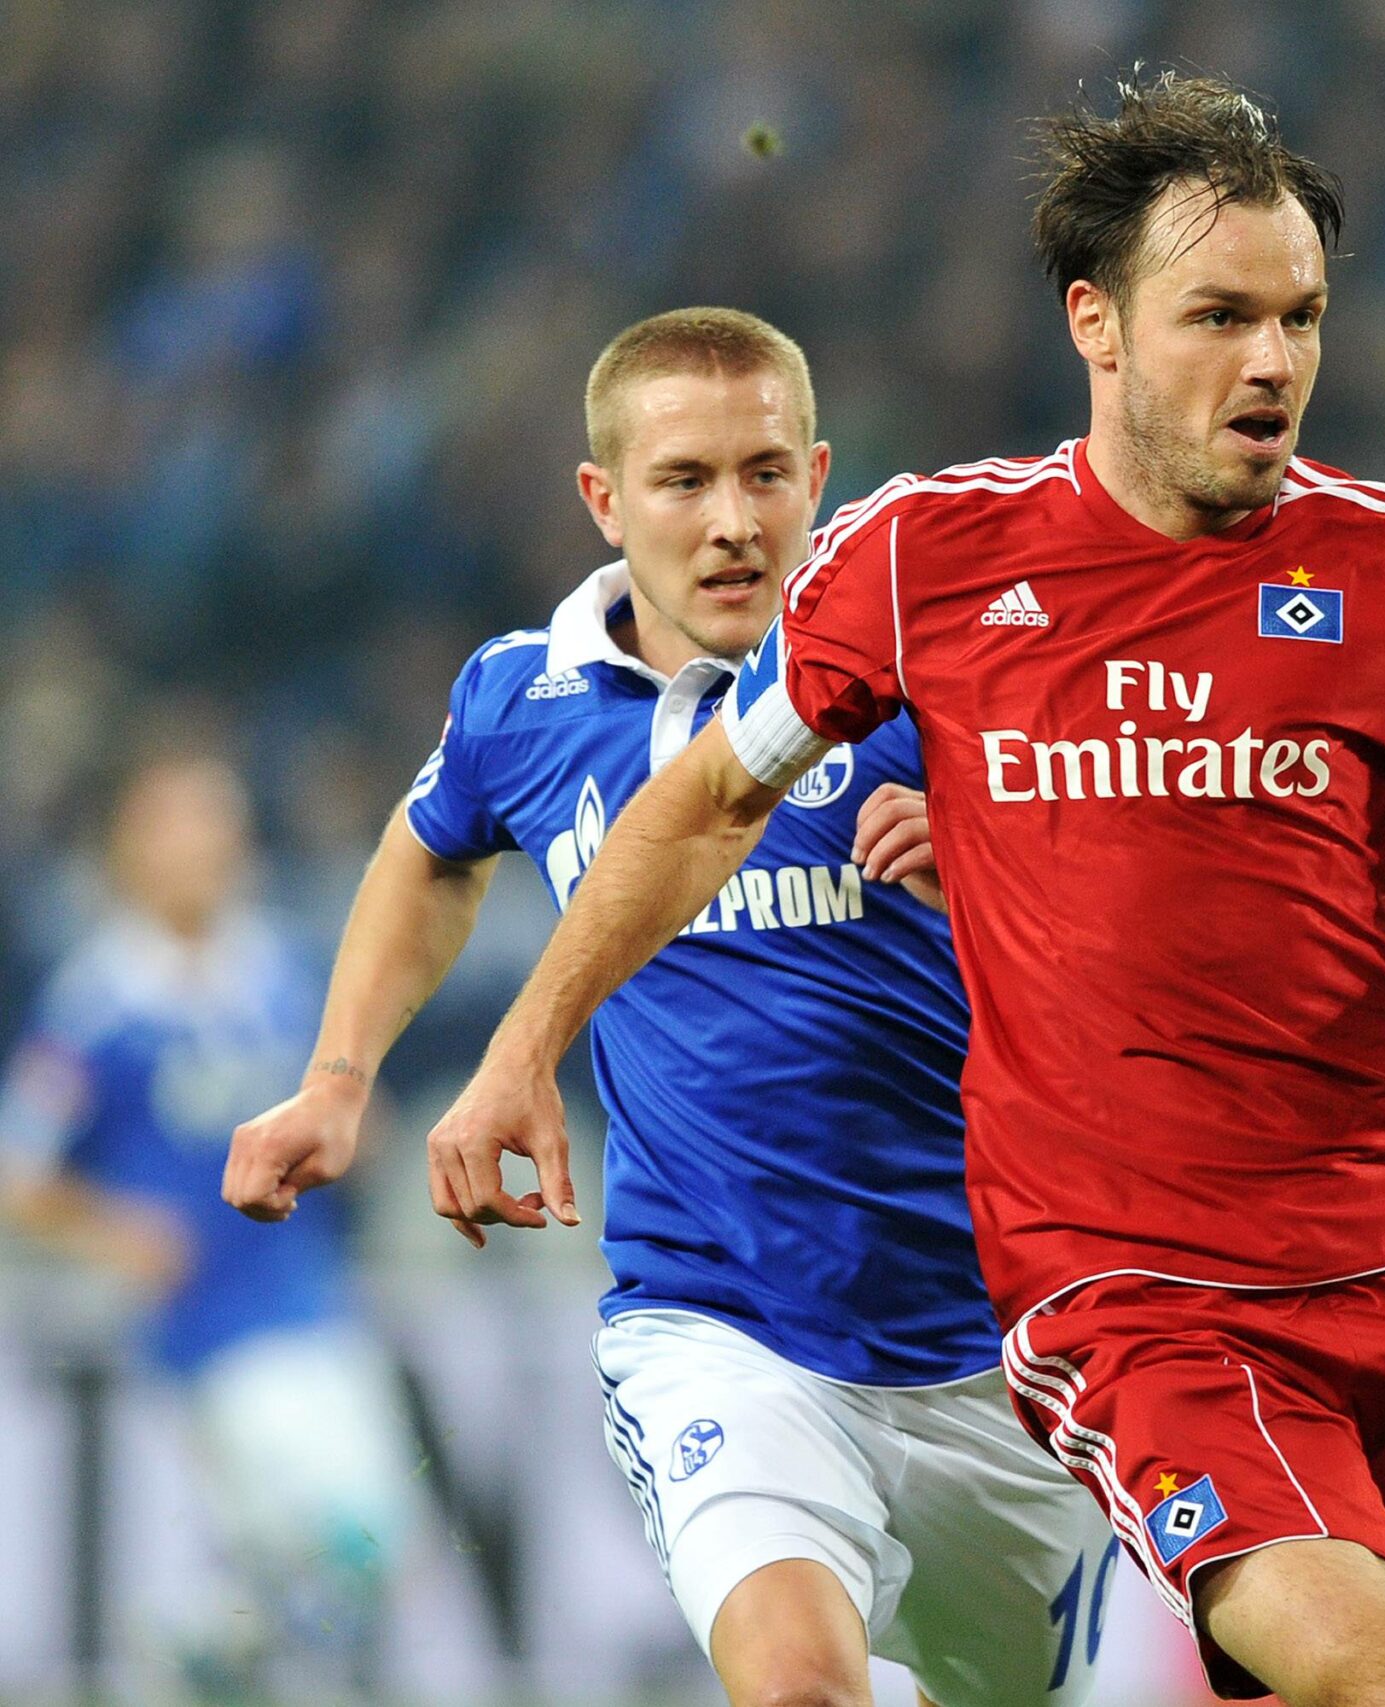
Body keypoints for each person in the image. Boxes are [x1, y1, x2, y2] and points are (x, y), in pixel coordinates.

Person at [428, 80, 1385, 1707]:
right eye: (1219, 315)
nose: (1274, 362)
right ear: (1097, 323)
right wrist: (526, 1045)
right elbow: (703, 802)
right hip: (1138, 1289)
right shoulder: (925, 558)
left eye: (1300, 316)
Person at [221, 308, 1112, 1707]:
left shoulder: (940, 676)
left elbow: (1151, 900)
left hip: (999, 1345)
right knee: (801, 1686)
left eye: (765, 473)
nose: (733, 521)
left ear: (819, 477)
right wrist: (340, 1076)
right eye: (685, 480)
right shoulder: (524, 696)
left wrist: (1009, 840)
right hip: (717, 1324)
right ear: (605, 498)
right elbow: (429, 848)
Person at [0, 751, 417, 1700]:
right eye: (184, 822)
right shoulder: (99, 1001)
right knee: (348, 1534)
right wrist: (116, 1231)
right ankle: (212, 1640)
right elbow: (18, 1169)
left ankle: (211, 1647)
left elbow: (348, 1098)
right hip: (210, 1329)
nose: (211, 844)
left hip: (315, 1298)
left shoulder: (278, 968)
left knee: (376, 1547)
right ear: (131, 848)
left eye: (221, 821)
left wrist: (362, 1122)